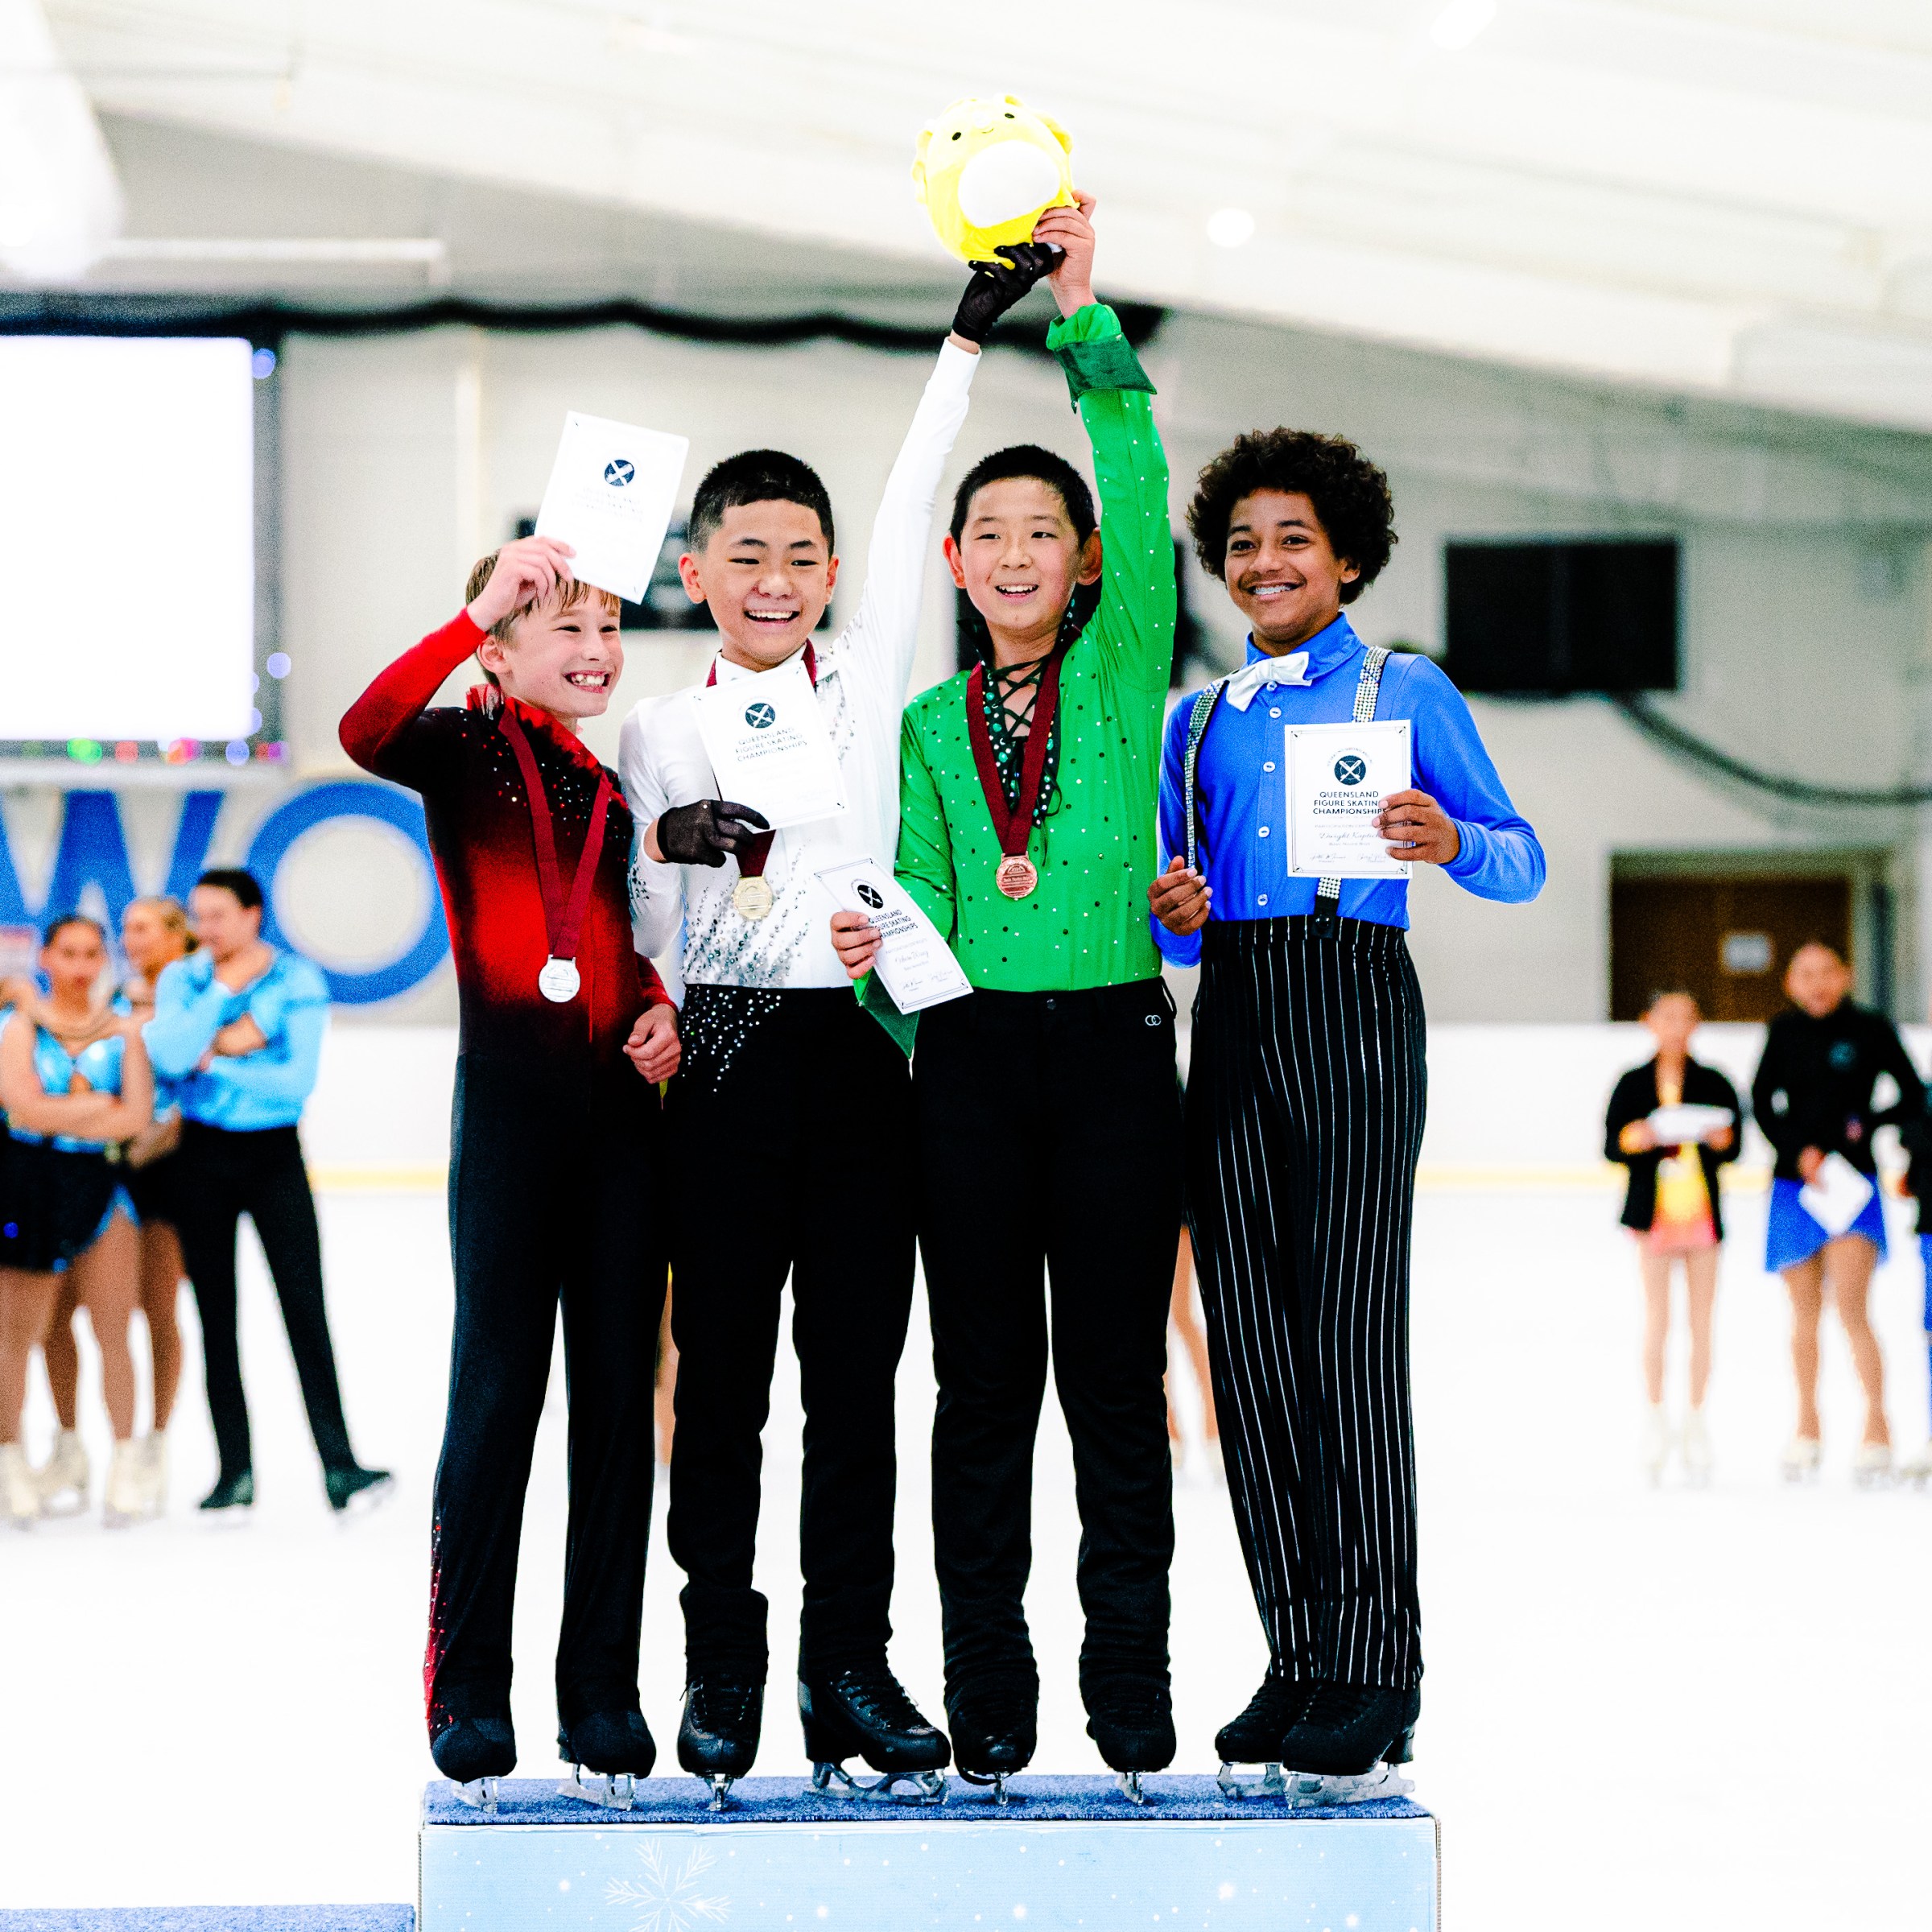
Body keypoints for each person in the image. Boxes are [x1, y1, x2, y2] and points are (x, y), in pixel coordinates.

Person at [621, 243, 1050, 1802]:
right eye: (749, 554)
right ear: (697, 570)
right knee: (723, 1379)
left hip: (868, 1053)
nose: (781, 575)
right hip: (729, 1057)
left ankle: (846, 1666)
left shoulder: (873, 679)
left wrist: (963, 337)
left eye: (804, 553)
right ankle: (721, 1658)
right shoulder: (654, 725)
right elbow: (646, 922)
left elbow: (911, 486)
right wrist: (661, 1007)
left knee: (858, 1382)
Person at [831, 194, 1183, 1799]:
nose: (1021, 553)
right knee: (981, 1391)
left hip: (1113, 1054)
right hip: (965, 1072)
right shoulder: (917, 727)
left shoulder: (1123, 670)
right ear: (960, 564)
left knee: (1114, 1382)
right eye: (993, 536)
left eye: (1048, 532)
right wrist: (897, 1001)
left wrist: (1085, 319)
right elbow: (908, 907)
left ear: (1084, 560)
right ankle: (990, 1683)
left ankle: (1130, 1672)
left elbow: (1139, 467)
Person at [1149, 427, 1544, 1794]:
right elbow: (1185, 921)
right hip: (1239, 1007)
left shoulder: (1402, 686)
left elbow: (1520, 857)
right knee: (1251, 1346)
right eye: (1245, 542)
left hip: (1357, 1000)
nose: (1266, 563)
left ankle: (1381, 1664)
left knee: (1348, 1339)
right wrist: (1181, 918)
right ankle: (1298, 1651)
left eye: (1295, 540)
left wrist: (1450, 841)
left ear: (1351, 558)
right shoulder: (1192, 720)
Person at [341, 536, 681, 1799]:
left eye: (610, 633)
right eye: (564, 631)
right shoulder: (461, 753)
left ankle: (598, 1685)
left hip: (620, 1126)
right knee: (494, 1402)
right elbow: (365, 724)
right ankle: (468, 1685)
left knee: (615, 1412)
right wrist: (472, 604)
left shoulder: (612, 790)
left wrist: (656, 1005)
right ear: (499, 646)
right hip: (510, 1120)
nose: (596, 653)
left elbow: (621, 940)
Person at [143, 869, 391, 1521]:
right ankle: (235, 1472)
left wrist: (216, 1056)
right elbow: (167, 1054)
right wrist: (224, 998)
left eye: (219, 915)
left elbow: (294, 1082)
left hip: (274, 1156)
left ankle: (340, 1466)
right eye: (199, 916)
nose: (206, 928)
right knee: (215, 1316)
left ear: (253, 915)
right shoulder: (186, 978)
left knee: (304, 1307)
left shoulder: (296, 980)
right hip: (199, 1156)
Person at [38, 896, 195, 1520]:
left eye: (141, 929)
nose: (132, 940)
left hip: (160, 1173)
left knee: (154, 1310)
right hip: (96, 1170)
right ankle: (73, 1446)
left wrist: (137, 1133)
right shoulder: (111, 1010)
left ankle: (147, 1447)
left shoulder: (188, 1002)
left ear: (175, 937)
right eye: (124, 930)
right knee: (58, 1311)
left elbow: (182, 1093)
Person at [0, 915, 153, 1528]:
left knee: (114, 1330)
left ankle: (123, 1460)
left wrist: (58, 1114)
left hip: (99, 1187)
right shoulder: (20, 1027)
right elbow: (19, 1106)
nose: (81, 966)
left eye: (93, 953)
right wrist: (97, 1106)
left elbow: (136, 1117)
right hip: (25, 1187)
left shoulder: (124, 1030)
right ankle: (16, 1458)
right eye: (69, 953)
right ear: (46, 958)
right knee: (22, 1335)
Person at [1749, 941, 1920, 1484]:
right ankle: (1807, 1427)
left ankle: (1877, 1427)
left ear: (1845, 975)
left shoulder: (1871, 1028)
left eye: (1827, 972)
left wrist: (1867, 1125)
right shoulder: (1782, 1031)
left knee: (1852, 1309)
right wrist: (1798, 1149)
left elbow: (1913, 1093)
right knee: (1803, 1314)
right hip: (1796, 1186)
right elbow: (1762, 1099)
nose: (1817, 982)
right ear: (1791, 983)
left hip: (1853, 1187)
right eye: (1805, 974)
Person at [1604, 991, 1742, 1484]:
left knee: (1701, 1321)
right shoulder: (1633, 1082)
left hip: (1702, 1216)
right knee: (1657, 1319)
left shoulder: (1713, 1081)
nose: (1677, 1026)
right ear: (1649, 1022)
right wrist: (1637, 1137)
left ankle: (1697, 1420)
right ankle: (1656, 1418)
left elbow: (1733, 1144)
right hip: (1653, 1214)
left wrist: (1721, 1141)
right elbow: (1612, 1143)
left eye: (1686, 1017)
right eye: (1668, 1017)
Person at [1166, 1227, 1221, 1480]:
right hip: (1156, 1214)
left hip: (1173, 1216)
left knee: (1179, 1316)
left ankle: (1212, 1427)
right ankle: (1174, 1430)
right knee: (1173, 1319)